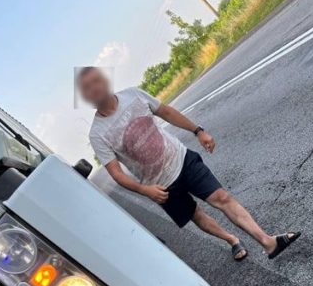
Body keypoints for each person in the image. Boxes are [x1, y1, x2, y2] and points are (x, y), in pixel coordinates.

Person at [78, 66, 300, 261]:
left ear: (106, 80)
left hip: (181, 159)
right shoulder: (97, 134)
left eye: (96, 80)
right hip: (160, 186)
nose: (94, 88)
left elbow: (166, 112)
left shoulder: (133, 94)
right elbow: (117, 174)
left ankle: (268, 242)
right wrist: (145, 191)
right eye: (87, 87)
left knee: (222, 198)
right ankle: (231, 239)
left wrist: (198, 130)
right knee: (197, 215)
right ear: (85, 98)